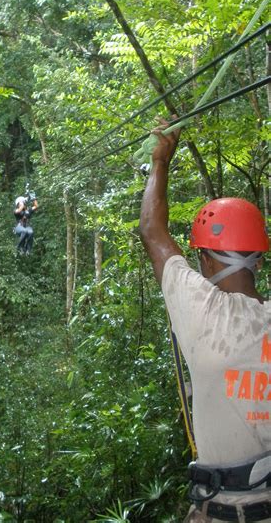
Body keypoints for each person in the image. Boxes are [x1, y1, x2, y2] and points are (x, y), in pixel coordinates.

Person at [139, 118, 270, 523]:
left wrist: (161, 161)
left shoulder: (204, 313)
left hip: (222, 510)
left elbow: (152, 232)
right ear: (258, 258)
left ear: (206, 259)